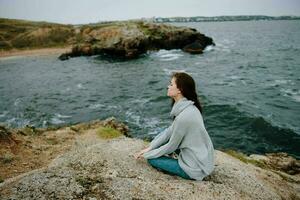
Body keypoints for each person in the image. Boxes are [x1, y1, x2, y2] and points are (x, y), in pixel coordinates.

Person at [134, 72, 215, 181]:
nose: (168, 86)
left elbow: (171, 146)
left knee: (152, 159)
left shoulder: (184, 117)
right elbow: (169, 131)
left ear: (179, 90)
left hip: (194, 168)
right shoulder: (190, 107)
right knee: (163, 135)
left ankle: (182, 168)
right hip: (201, 158)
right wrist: (151, 146)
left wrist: (148, 154)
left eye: (171, 84)